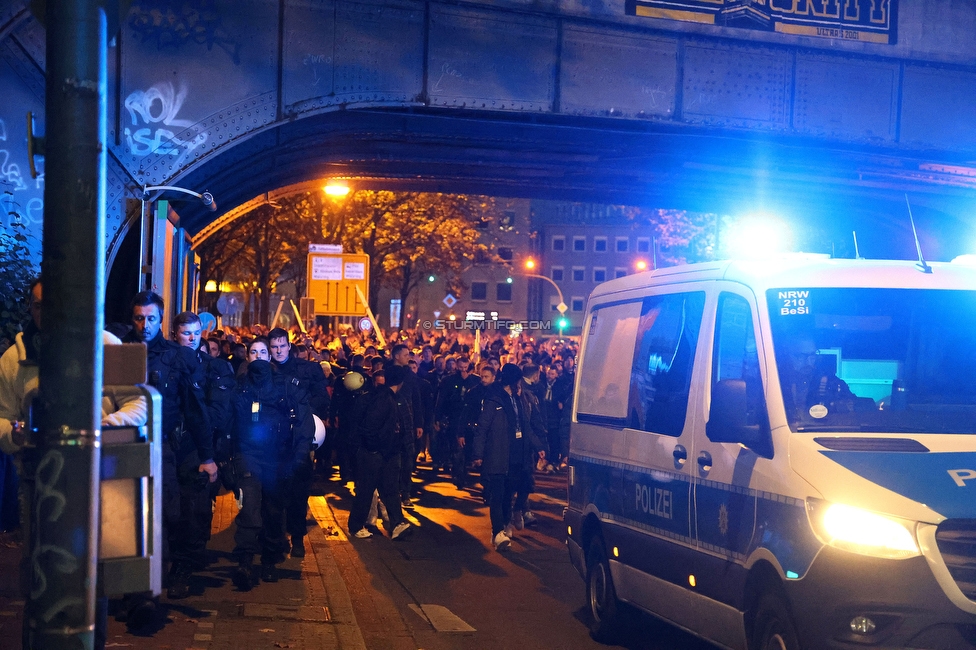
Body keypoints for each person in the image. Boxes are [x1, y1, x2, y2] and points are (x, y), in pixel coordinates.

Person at [122, 291, 215, 599]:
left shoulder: (178, 357)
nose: (145, 324)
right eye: (139, 317)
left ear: (161, 320)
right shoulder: (118, 351)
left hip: (164, 445)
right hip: (124, 445)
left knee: (168, 515)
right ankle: (134, 588)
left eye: (151, 318)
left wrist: (207, 456)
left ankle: (165, 576)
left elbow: (194, 408)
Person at [222, 338, 314, 590]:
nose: (259, 355)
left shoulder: (286, 387)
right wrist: (224, 460)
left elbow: (305, 424)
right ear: (248, 356)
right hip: (248, 455)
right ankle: (245, 559)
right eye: (254, 351)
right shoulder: (239, 388)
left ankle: (270, 559)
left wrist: (298, 458)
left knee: (274, 511)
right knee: (250, 507)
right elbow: (226, 424)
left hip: (279, 457)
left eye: (264, 351)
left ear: (270, 356)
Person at [267, 328, 330, 558]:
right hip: (274, 442)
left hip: (301, 439)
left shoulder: (308, 369)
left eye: (282, 346)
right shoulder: (266, 370)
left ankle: (298, 538)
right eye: (274, 347)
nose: (278, 351)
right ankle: (278, 538)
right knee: (275, 494)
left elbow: (323, 398)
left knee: (299, 493)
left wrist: (303, 415)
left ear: (289, 345)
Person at [472, 364, 544, 552]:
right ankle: (497, 532)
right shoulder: (494, 400)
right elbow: (482, 428)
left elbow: (524, 426)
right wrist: (478, 454)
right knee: (497, 495)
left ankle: (504, 525)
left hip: (515, 455)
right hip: (497, 454)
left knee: (507, 494)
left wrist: (538, 447)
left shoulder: (518, 400)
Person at [346, 365, 413, 541]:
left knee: (389, 489)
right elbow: (370, 427)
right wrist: (375, 448)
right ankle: (355, 526)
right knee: (366, 491)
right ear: (400, 382)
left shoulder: (386, 397)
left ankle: (398, 523)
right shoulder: (384, 399)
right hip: (374, 454)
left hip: (383, 453)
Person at [779, 337, 856, 419]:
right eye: (801, 356)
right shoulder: (777, 383)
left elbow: (851, 409)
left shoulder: (833, 383)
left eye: (812, 355)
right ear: (789, 356)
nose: (808, 361)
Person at [391, 344, 423, 507]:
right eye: (405, 355)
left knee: (408, 457)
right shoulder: (388, 372)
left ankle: (406, 492)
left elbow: (416, 398)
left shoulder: (410, 375)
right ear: (396, 356)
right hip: (390, 418)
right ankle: (391, 492)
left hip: (408, 419)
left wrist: (419, 423)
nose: (408, 357)